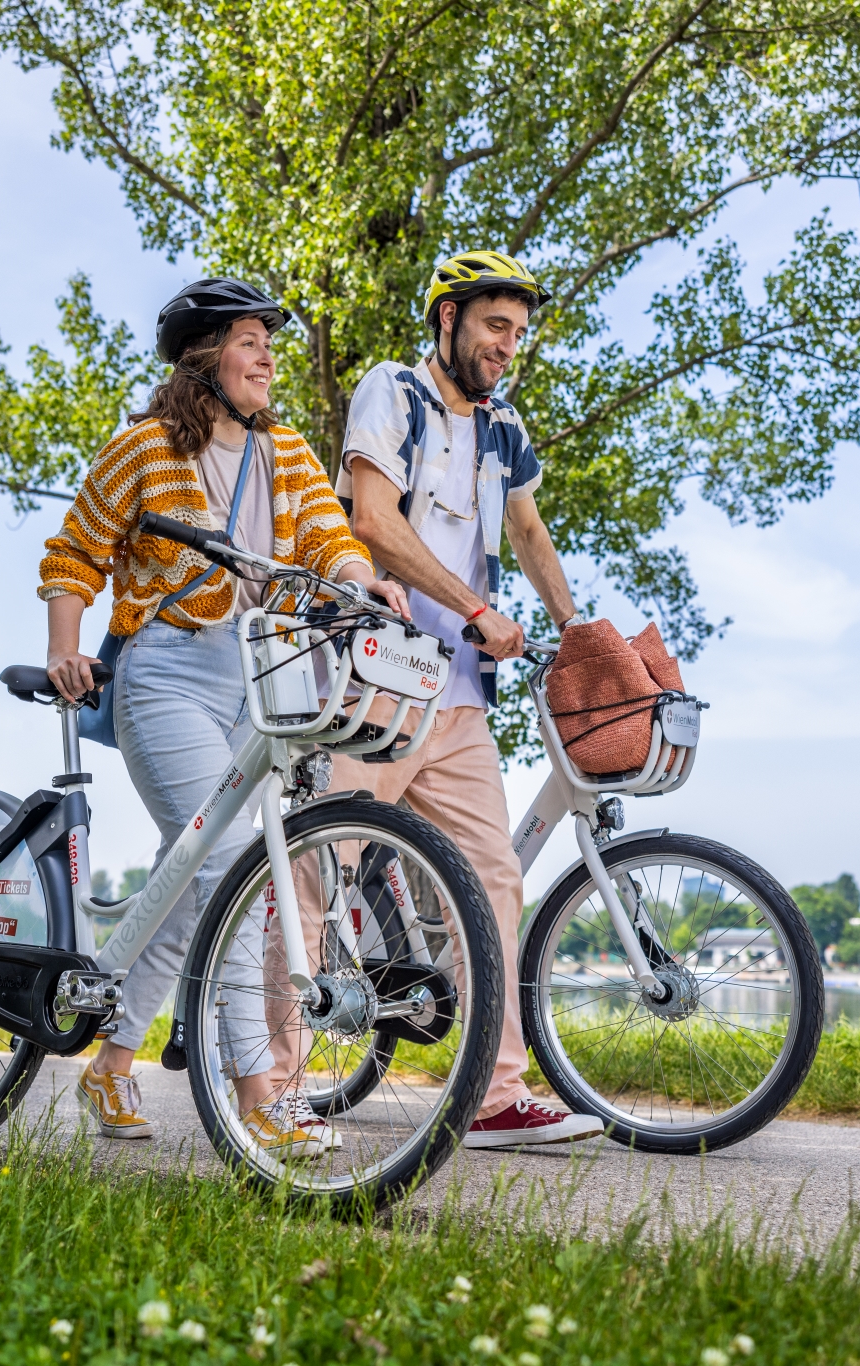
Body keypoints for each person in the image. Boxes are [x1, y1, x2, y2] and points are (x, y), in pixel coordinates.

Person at [39, 277, 409, 1155]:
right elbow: (75, 552)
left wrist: (366, 585)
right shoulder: (141, 449)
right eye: (250, 342)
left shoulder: (284, 451)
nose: (268, 356)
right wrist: (66, 644)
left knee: (187, 885)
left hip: (254, 679)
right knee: (233, 875)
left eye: (267, 343)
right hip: (163, 674)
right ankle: (261, 1098)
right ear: (205, 359)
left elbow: (329, 536)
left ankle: (110, 1064)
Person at [265, 250, 607, 1147]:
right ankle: (278, 1090)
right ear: (448, 318)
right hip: (371, 681)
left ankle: (495, 1094)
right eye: (496, 326)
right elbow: (372, 520)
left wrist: (575, 630)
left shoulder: (504, 430)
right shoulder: (394, 392)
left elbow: (527, 529)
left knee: (494, 880)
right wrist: (475, 610)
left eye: (520, 334)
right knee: (316, 873)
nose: (509, 347)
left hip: (457, 704)